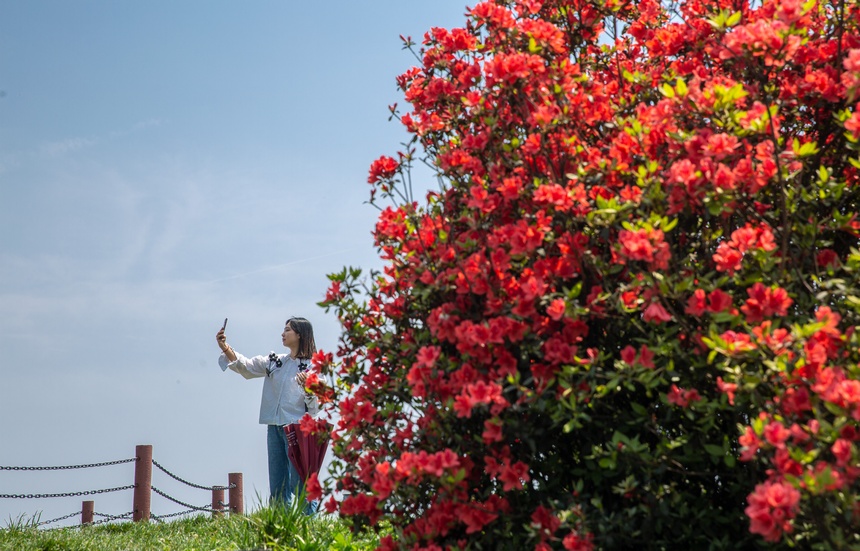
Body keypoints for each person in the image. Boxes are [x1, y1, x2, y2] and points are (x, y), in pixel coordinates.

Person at [216, 317, 320, 513]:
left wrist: (309, 387)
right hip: (274, 427)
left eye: (288, 330)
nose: (283, 333)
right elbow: (246, 367)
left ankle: (310, 524)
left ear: (299, 334)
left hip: (298, 429)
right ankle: (281, 524)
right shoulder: (276, 362)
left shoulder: (314, 367)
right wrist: (225, 347)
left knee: (301, 481)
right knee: (278, 482)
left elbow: (315, 408)